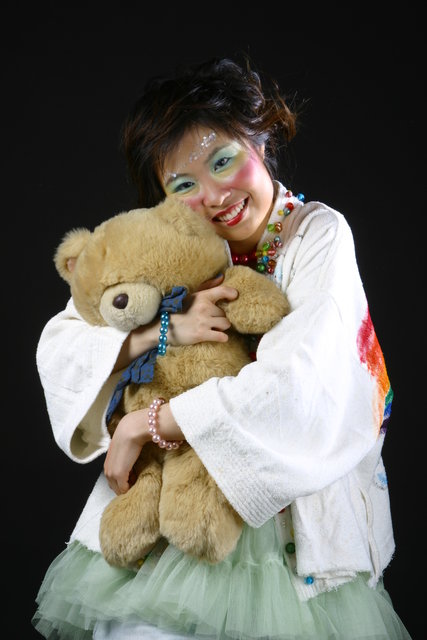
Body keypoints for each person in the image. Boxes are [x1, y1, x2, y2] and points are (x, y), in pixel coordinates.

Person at [32, 55, 412, 640]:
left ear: (261, 140)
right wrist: (162, 333)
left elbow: (297, 384)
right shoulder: (168, 240)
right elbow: (65, 339)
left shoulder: (316, 234)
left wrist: (143, 425)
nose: (214, 196)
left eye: (223, 160)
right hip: (168, 522)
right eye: (184, 185)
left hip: (291, 527)